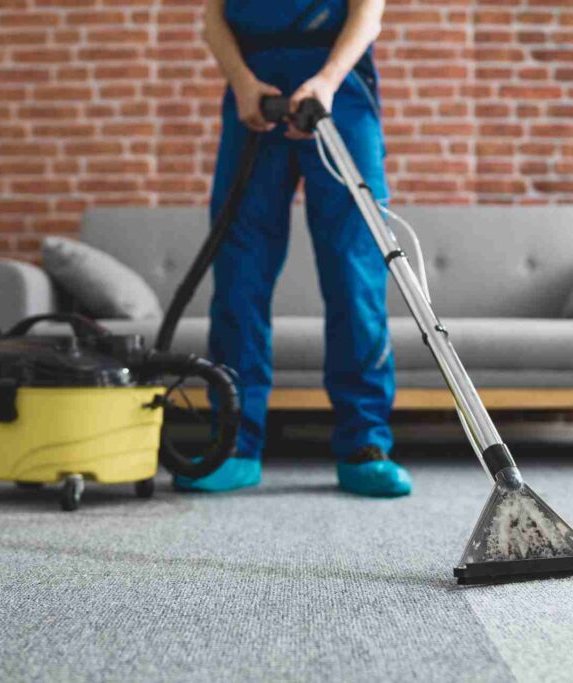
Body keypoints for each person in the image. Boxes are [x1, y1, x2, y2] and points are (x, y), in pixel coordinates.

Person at [174, 0, 411, 497]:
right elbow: (213, 16)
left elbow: (368, 13)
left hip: (338, 92)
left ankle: (364, 445)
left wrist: (326, 81)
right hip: (254, 92)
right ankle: (234, 443)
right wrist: (241, 81)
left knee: (355, 275)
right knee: (239, 274)